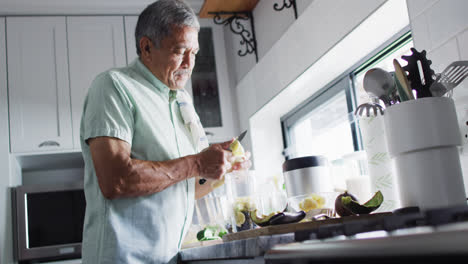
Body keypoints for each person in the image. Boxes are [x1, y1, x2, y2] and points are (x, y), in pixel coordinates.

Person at [79, 0, 251, 263]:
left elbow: (185, 189)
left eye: (194, 53)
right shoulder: (113, 86)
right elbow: (116, 180)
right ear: (146, 47)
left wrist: (218, 168)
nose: (189, 63)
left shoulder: (182, 102)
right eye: (180, 51)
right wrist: (196, 163)